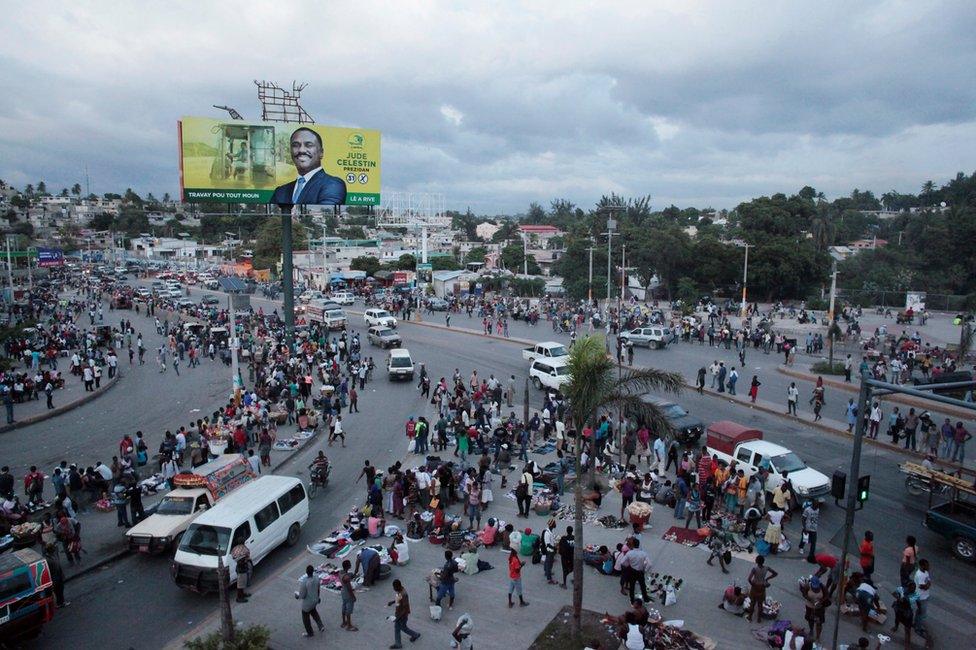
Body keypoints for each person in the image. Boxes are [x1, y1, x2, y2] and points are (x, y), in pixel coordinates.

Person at [270, 127, 347, 206]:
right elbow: (270, 218)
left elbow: (324, 216)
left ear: (321, 152)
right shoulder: (280, 192)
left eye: (309, 145)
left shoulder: (333, 185)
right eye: (295, 145)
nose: (301, 150)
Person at [387, 578, 421, 648]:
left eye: (395, 587)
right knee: (403, 627)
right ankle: (415, 635)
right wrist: (392, 602)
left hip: (402, 615)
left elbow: (405, 609)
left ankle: (398, 644)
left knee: (398, 628)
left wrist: (398, 618)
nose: (394, 589)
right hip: (399, 613)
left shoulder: (404, 594)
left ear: (398, 586)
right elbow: (399, 598)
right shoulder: (400, 590)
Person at [745, 555, 777, 622]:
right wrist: (767, 579)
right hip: (762, 587)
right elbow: (775, 573)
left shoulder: (754, 569)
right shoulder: (766, 568)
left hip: (755, 587)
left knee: (753, 603)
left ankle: (750, 617)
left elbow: (749, 579)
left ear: (756, 561)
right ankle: (759, 619)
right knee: (760, 604)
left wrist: (753, 585)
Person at [296, 564, 325, 637]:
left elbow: (302, 595)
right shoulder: (316, 578)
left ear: (306, 572)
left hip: (307, 603)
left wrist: (297, 596)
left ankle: (310, 633)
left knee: (305, 618)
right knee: (314, 612)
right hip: (315, 599)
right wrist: (318, 597)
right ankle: (320, 626)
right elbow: (318, 589)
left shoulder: (305, 582)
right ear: (313, 571)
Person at [803, 576, 828, 642]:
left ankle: (818, 636)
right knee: (810, 620)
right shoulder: (807, 586)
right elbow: (804, 594)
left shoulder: (823, 587)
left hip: (819, 608)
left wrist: (821, 601)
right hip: (809, 607)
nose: (815, 588)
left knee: (819, 623)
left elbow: (826, 596)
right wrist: (809, 599)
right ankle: (811, 630)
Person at [339, 558, 359, 631]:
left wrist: (353, 575)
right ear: (348, 566)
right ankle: (349, 625)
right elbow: (349, 589)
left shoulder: (340, 573)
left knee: (344, 606)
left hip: (343, 592)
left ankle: (344, 622)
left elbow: (347, 577)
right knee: (349, 610)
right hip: (348, 594)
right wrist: (353, 597)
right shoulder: (347, 578)